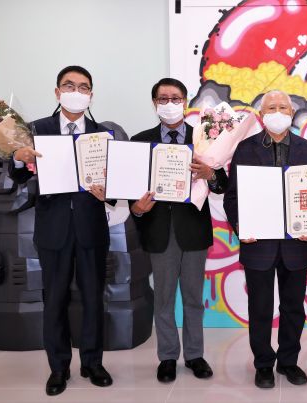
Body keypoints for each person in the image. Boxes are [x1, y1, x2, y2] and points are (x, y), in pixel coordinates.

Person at [9, 65, 113, 396]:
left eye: (83, 87)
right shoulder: (36, 129)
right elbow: (19, 175)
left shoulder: (102, 135)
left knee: (94, 298)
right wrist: (17, 157)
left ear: (91, 95)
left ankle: (93, 363)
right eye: (69, 86)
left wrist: (108, 192)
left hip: (91, 229)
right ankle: (58, 367)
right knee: (54, 299)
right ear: (57, 92)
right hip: (53, 229)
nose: (76, 92)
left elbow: (115, 184)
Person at [129, 78, 227, 383]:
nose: (169, 104)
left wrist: (211, 174)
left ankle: (195, 355)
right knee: (164, 298)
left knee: (194, 298)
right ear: (154, 103)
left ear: (185, 102)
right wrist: (136, 208)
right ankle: (168, 356)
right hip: (159, 230)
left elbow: (221, 185)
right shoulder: (139, 141)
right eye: (163, 98)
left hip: (193, 230)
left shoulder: (204, 138)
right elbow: (130, 188)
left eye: (175, 98)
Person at [223, 90, 307, 389]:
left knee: (293, 308)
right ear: (261, 114)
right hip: (258, 245)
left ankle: (288, 361)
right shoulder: (245, 149)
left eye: (283, 107)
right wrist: (242, 226)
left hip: (296, 244)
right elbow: (232, 197)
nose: (277, 113)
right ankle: (263, 364)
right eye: (271, 108)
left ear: (292, 113)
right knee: (261, 309)